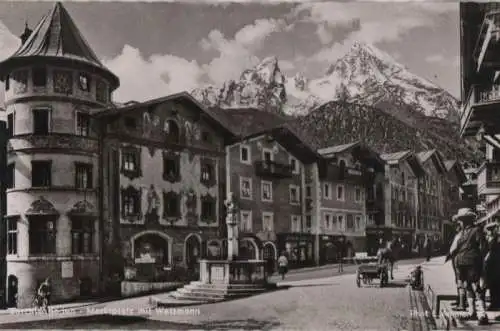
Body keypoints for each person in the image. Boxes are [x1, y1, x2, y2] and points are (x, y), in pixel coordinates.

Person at [449, 208, 489, 325]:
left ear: (465, 220)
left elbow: (483, 247)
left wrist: (479, 261)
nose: (459, 223)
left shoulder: (476, 231)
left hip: (472, 263)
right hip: (462, 264)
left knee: (476, 287)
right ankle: (472, 312)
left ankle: (482, 315)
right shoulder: (461, 233)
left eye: (460, 220)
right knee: (467, 287)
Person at [446, 220, 465, 311]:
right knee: (457, 279)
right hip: (455, 258)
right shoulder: (458, 234)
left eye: (457, 225)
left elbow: (455, 247)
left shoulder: (461, 234)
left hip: (457, 258)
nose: (455, 227)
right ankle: (460, 299)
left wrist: (450, 254)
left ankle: (462, 302)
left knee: (459, 279)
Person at [484, 222, 500, 311]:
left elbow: (492, 251)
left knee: (495, 284)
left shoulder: (497, 238)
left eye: (490, 230)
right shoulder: (491, 238)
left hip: (496, 263)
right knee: (492, 284)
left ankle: (495, 303)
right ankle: (494, 302)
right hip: (491, 264)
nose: (488, 232)